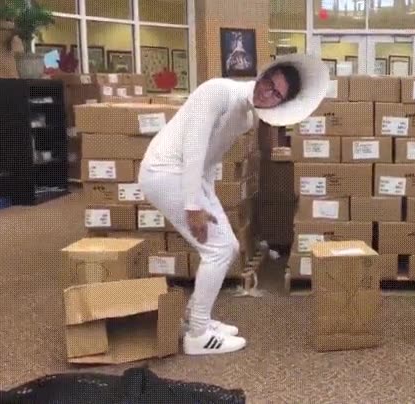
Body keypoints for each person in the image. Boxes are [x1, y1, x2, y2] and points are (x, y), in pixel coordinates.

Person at [138, 54, 329, 355]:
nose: (267, 93)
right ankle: (198, 335)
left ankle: (194, 318)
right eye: (268, 82)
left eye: (277, 94)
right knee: (217, 250)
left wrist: (208, 199)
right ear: (262, 75)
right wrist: (194, 206)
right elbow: (194, 148)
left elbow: (210, 159)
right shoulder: (217, 91)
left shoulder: (245, 117)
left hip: (188, 177)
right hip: (164, 172)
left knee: (229, 248)